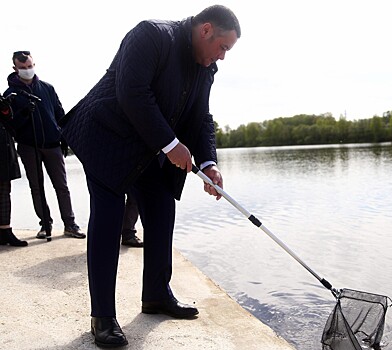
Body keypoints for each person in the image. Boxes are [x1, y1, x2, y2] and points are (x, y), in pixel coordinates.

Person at [60, 5, 240, 347]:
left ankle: (156, 294)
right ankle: (103, 316)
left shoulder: (206, 67)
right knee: (109, 219)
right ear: (205, 30)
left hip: (147, 146)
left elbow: (201, 117)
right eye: (223, 47)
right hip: (106, 138)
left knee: (161, 212)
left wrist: (208, 162)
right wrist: (171, 144)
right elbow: (133, 92)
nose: (222, 56)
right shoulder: (152, 34)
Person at [3, 51, 85, 239]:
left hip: (52, 144)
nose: (27, 70)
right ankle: (45, 224)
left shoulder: (47, 88)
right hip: (28, 146)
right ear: (15, 68)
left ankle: (70, 224)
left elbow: (59, 113)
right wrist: (24, 114)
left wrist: (64, 137)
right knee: (36, 187)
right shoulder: (10, 94)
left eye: (29, 66)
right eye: (22, 68)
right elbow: (10, 124)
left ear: (34, 64)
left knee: (62, 186)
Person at [0, 94, 27, 247]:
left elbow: (9, 119)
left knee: (4, 190)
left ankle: (5, 231)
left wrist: (5, 107)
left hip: (3, 146)